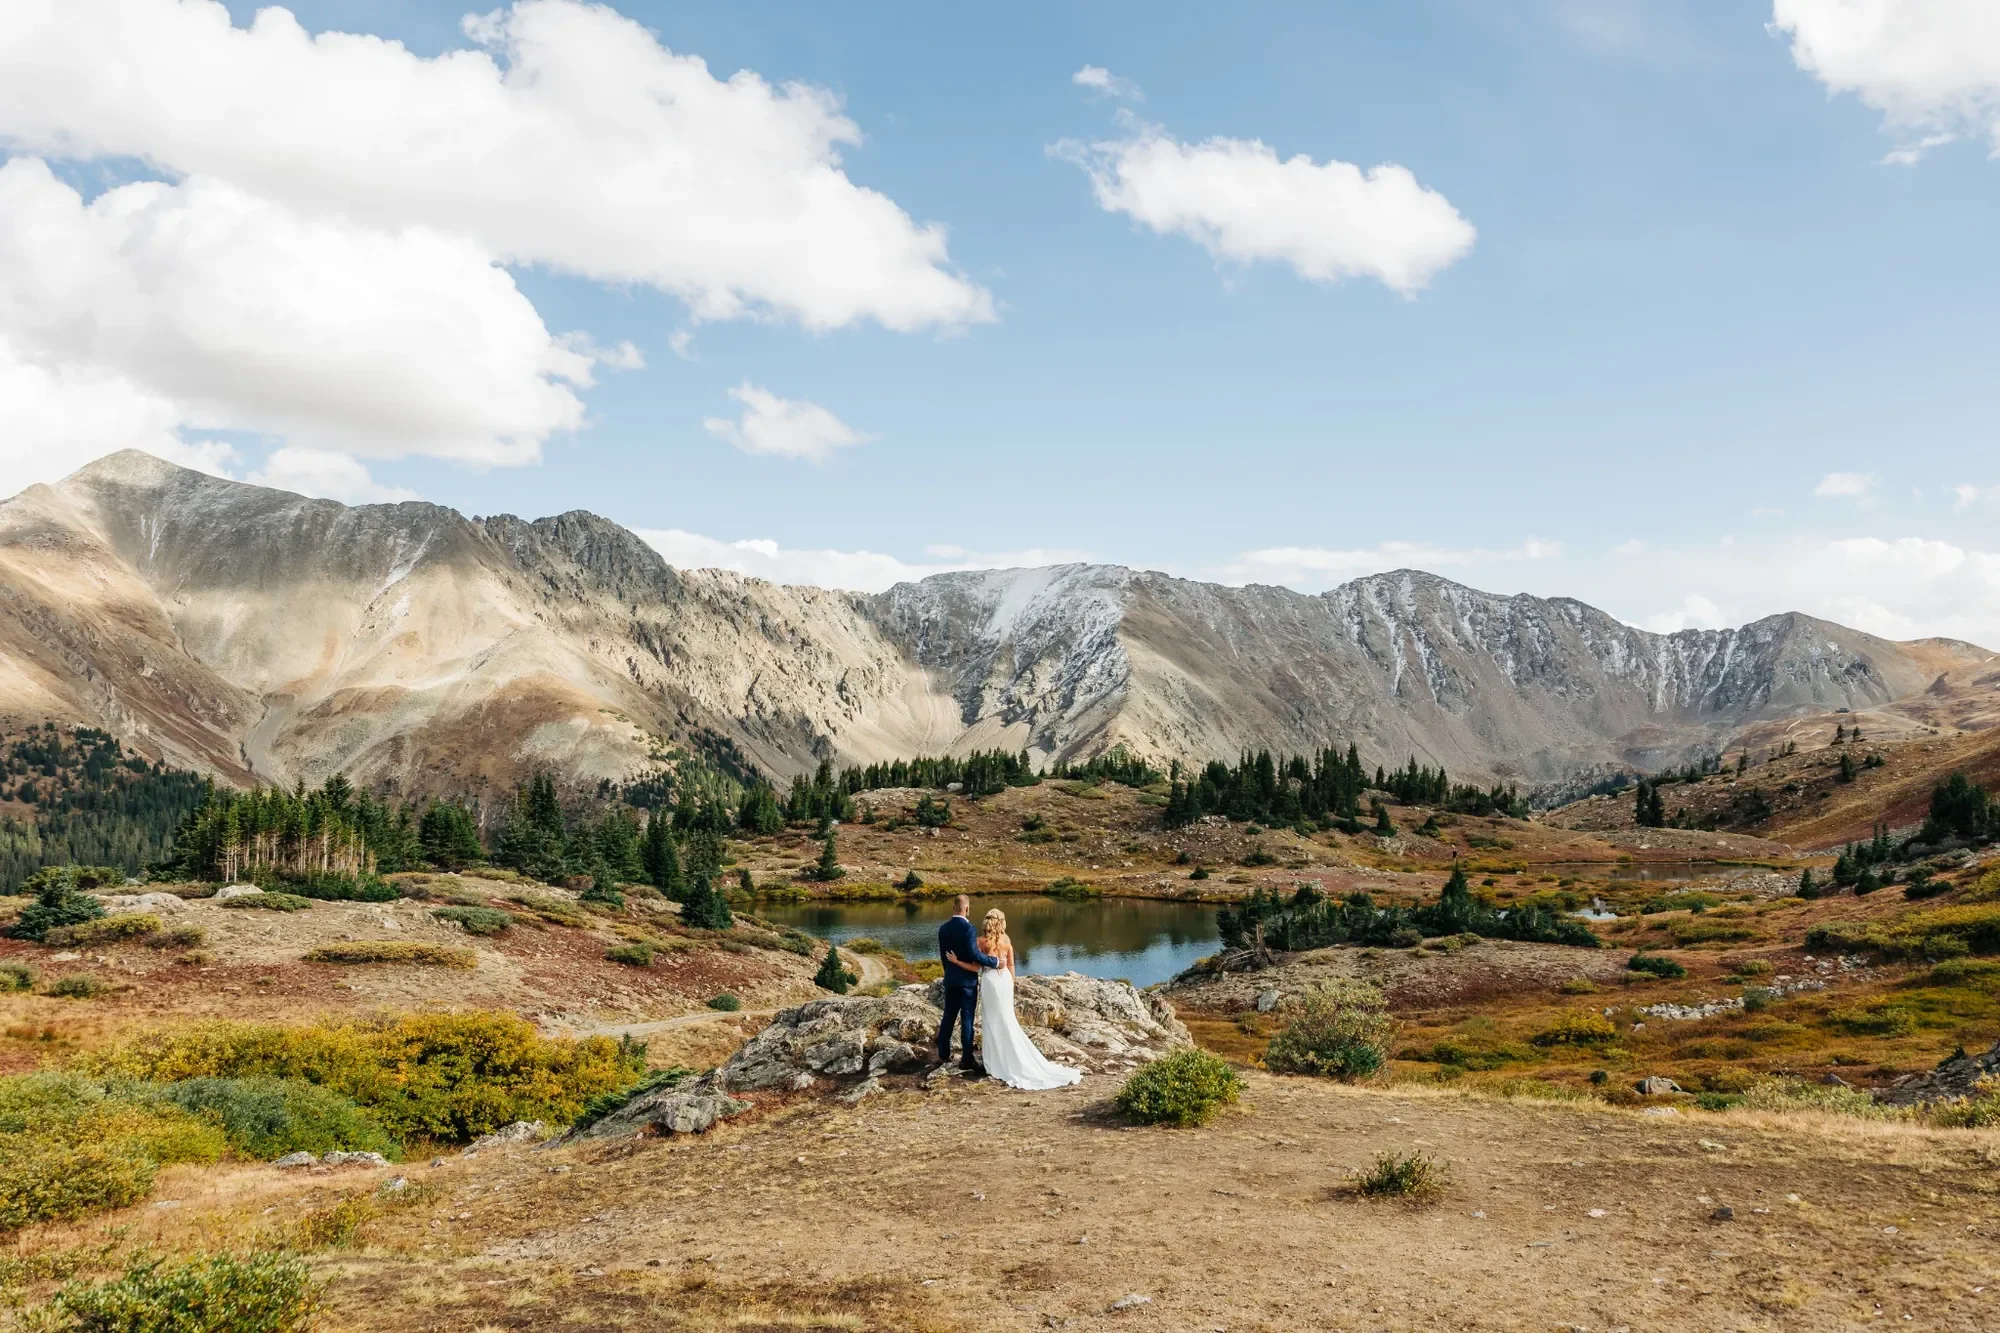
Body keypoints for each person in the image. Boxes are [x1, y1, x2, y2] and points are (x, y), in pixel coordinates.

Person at [946, 907, 1083, 1091]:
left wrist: (956, 962)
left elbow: (976, 968)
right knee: (1007, 1019)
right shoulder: (1007, 939)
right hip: (1005, 982)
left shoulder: (981, 942)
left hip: (990, 982)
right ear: (1001, 922)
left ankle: (995, 1062)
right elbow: (1010, 963)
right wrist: (1012, 982)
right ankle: (1011, 1057)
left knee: (993, 1020)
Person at [935, 895, 997, 1071]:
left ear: (953, 908)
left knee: (948, 1016)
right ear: (967, 909)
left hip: (951, 979)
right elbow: (973, 954)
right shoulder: (969, 929)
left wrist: (949, 972)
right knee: (967, 1019)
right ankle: (967, 1059)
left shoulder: (943, 929)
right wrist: (994, 962)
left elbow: (943, 957)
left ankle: (943, 1054)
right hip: (967, 982)